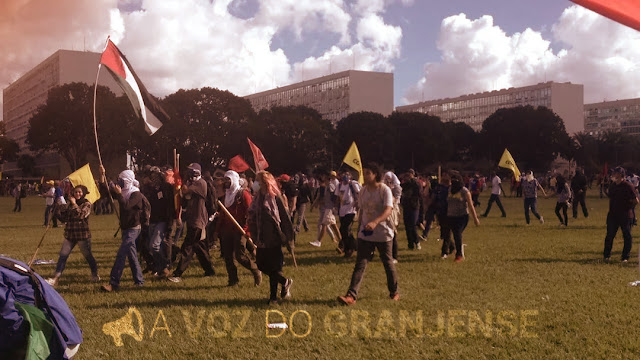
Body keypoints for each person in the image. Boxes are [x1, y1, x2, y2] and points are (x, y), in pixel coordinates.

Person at [338, 162, 399, 305]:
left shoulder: (384, 190)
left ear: (375, 174)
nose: (364, 176)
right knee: (360, 263)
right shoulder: (363, 191)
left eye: (367, 173)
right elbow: (362, 211)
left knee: (387, 262)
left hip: (383, 233)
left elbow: (388, 209)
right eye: (363, 173)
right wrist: (360, 229)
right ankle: (351, 296)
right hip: (365, 234)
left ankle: (394, 292)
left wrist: (375, 222)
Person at [247, 171, 294, 304]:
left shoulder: (275, 197)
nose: (255, 183)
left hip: (274, 237)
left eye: (257, 180)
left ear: (265, 182)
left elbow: (285, 218)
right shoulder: (257, 197)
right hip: (261, 237)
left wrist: (290, 239)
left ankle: (273, 297)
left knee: (274, 267)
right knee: (261, 265)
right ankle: (285, 282)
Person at [101, 168, 150, 292]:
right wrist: (103, 175)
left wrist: (118, 194)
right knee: (132, 255)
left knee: (121, 254)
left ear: (128, 181)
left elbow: (127, 206)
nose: (119, 182)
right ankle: (139, 281)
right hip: (125, 228)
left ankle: (114, 283)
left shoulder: (136, 194)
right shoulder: (123, 191)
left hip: (133, 229)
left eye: (121, 180)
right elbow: (105, 191)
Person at [169, 163, 216, 282]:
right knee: (200, 248)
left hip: (198, 221)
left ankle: (177, 273)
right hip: (191, 220)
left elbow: (185, 190)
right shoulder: (191, 184)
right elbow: (184, 200)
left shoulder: (201, 184)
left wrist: (179, 184)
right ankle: (209, 271)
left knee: (187, 247)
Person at [45, 185, 99, 287]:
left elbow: (81, 215)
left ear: (83, 193)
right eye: (75, 192)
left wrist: (74, 204)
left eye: (79, 192)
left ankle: (95, 274)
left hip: (82, 235)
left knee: (88, 256)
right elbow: (65, 218)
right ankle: (55, 278)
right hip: (70, 235)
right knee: (63, 256)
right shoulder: (69, 204)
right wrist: (57, 212)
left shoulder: (87, 204)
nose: (77, 194)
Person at [216, 170, 262, 287]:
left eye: (228, 180)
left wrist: (247, 230)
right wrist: (218, 230)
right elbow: (223, 214)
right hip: (226, 231)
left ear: (234, 180)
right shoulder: (225, 195)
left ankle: (256, 270)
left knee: (240, 256)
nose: (226, 182)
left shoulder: (243, 194)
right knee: (228, 257)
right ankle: (233, 281)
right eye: (225, 180)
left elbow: (251, 213)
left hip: (240, 230)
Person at [144, 166, 176, 278]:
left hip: (162, 220)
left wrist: (170, 221)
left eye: (154, 175)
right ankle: (159, 267)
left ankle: (164, 266)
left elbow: (170, 205)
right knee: (151, 246)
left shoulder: (166, 187)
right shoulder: (150, 189)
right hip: (152, 220)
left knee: (154, 245)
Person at [603, 167, 638, 263]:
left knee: (627, 236)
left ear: (621, 175)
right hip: (613, 215)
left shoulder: (628, 186)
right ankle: (606, 256)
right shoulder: (612, 186)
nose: (613, 174)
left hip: (625, 215)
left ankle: (625, 257)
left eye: (615, 173)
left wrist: (628, 207)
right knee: (609, 235)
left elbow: (636, 201)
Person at [443, 171, 480, 262]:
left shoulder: (465, 191)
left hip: (461, 217)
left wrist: (475, 218)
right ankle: (456, 248)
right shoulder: (449, 189)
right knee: (447, 234)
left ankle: (458, 255)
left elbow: (471, 205)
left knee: (457, 233)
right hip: (450, 216)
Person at [309, 170, 339, 247]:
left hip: (330, 208)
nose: (322, 177)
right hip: (327, 207)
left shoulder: (330, 186)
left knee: (324, 224)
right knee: (333, 225)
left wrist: (334, 206)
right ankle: (342, 240)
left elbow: (335, 196)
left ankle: (318, 241)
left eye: (324, 176)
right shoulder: (326, 186)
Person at [337, 172, 361, 257]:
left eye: (347, 175)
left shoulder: (353, 184)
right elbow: (337, 197)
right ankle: (354, 245)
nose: (345, 177)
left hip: (351, 210)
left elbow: (360, 193)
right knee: (344, 230)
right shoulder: (339, 185)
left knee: (345, 229)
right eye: (344, 175)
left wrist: (358, 202)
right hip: (342, 211)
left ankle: (349, 249)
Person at [400, 169, 423, 250]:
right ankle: (410, 244)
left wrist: (412, 180)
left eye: (410, 174)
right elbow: (401, 188)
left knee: (413, 225)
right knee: (407, 226)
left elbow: (419, 193)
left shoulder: (416, 183)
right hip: (406, 206)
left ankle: (417, 242)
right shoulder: (406, 184)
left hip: (414, 206)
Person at [383, 171, 402, 263]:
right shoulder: (383, 187)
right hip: (384, 209)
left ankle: (394, 256)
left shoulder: (397, 187)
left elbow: (396, 199)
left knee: (393, 232)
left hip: (393, 210)